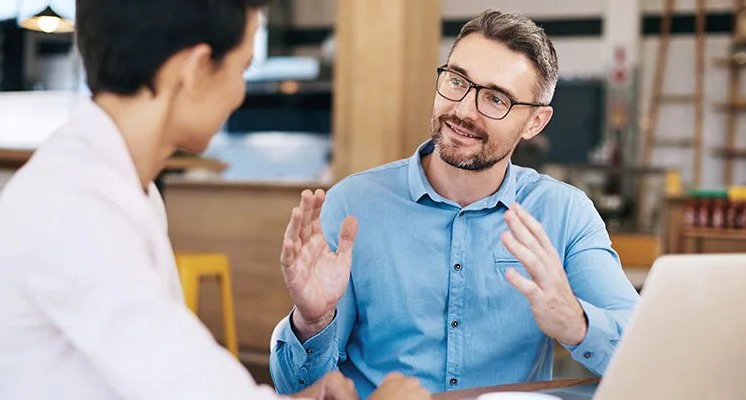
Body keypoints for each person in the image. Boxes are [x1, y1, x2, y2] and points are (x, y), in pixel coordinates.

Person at [0, 1, 428, 399]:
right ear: (196, 68)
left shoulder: (117, 185)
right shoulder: (76, 207)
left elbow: (164, 375)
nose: (238, 93)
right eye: (241, 68)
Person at [270, 9, 640, 398]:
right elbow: (295, 389)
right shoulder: (352, 206)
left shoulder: (565, 214)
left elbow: (644, 348)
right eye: (457, 80)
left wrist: (577, 325)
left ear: (535, 122)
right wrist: (311, 322)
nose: (463, 110)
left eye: (496, 99)